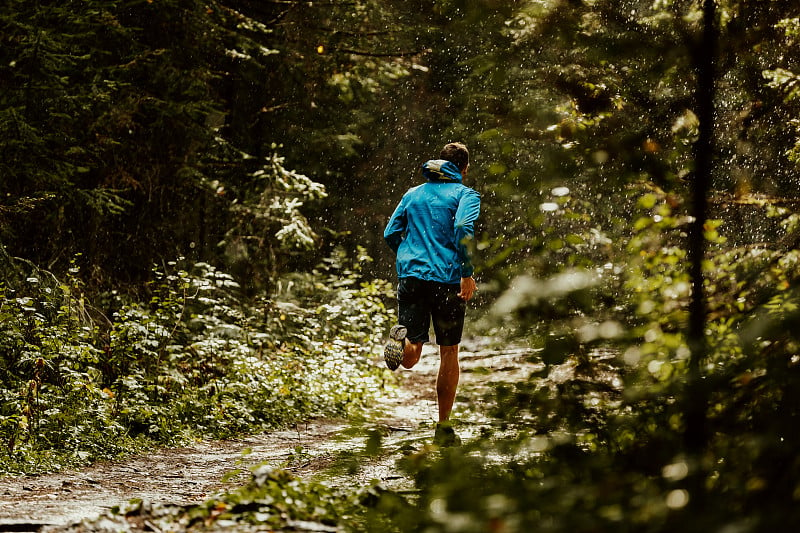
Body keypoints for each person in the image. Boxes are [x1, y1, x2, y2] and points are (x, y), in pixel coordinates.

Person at [383, 142, 481, 445]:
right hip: (448, 281)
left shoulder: (413, 194)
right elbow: (463, 225)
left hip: (411, 276)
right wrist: (466, 273)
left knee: (412, 355)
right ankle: (443, 427)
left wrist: (409, 255)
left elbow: (390, 233)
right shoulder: (465, 195)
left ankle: (402, 339)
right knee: (448, 351)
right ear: (464, 168)